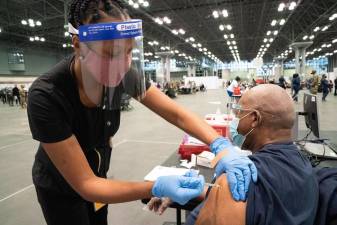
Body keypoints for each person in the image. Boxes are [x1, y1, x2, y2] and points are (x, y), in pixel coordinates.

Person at [27, 1, 257, 225]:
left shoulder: (121, 75)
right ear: (78, 45)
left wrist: (221, 144)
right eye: (110, 54)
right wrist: (154, 187)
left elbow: (176, 114)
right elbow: (86, 184)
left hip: (98, 172)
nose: (122, 65)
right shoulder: (47, 96)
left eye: (128, 52)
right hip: (61, 188)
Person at [184, 84, 318, 225]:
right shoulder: (305, 165)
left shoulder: (238, 179)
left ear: (254, 118)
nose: (234, 121)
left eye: (238, 114)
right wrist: (198, 189)